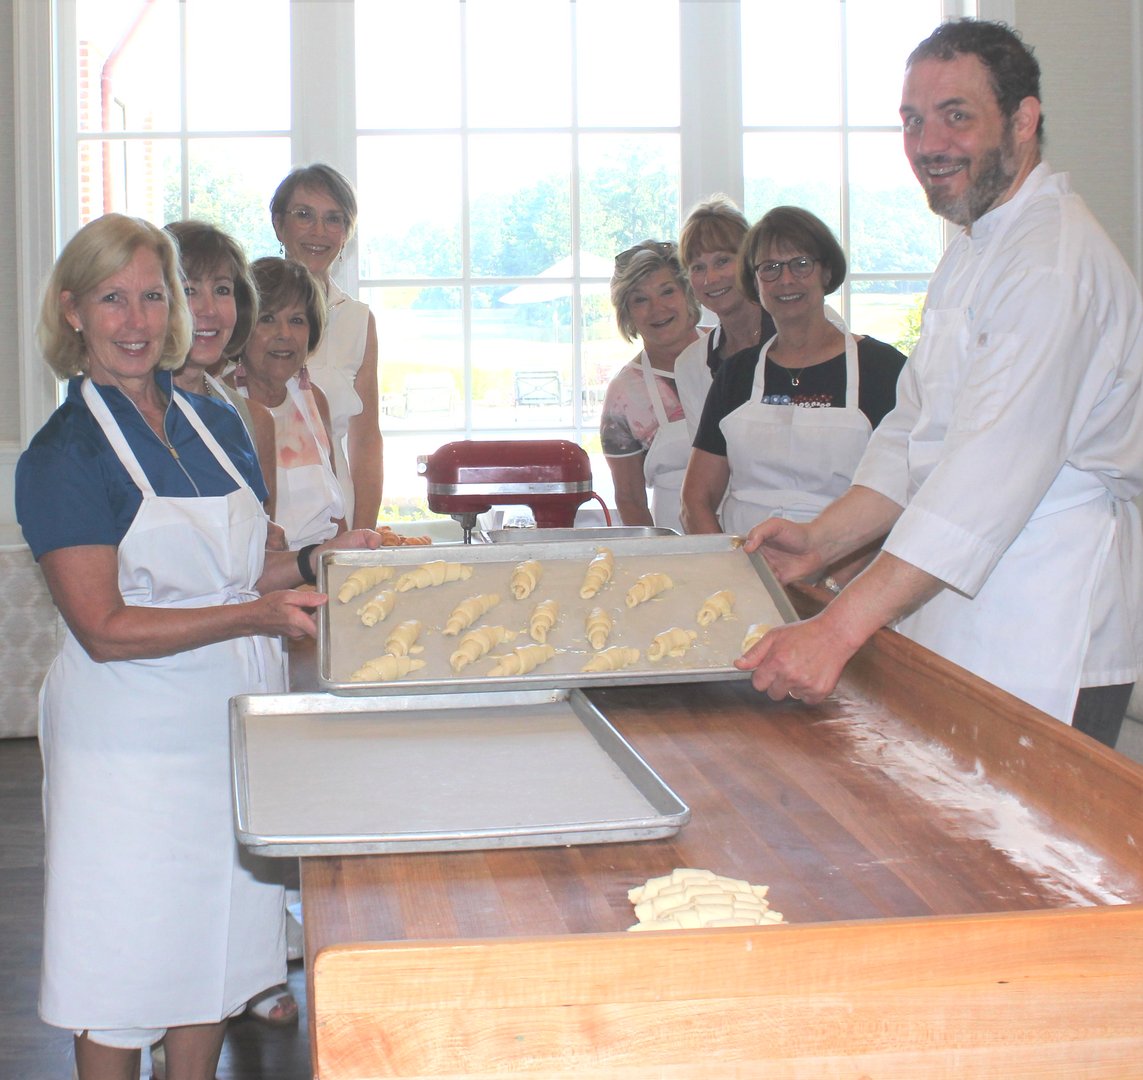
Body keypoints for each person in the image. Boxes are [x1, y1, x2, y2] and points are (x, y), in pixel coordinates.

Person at [14, 213, 381, 1080]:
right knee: (123, 958)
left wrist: (329, 557)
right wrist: (252, 617)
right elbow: (104, 628)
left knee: (214, 948)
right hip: (130, 745)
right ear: (72, 311)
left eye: (153, 297)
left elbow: (245, 567)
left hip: (233, 728)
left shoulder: (214, 422)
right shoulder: (62, 456)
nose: (136, 321)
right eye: (112, 299)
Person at [740, 19, 1143, 748]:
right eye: (911, 121)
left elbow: (983, 478)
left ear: (1023, 120)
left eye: (956, 116)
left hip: (1049, 623)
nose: (927, 144)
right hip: (962, 613)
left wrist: (835, 630)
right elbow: (913, 433)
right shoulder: (975, 248)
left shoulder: (1052, 265)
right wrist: (822, 541)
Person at [681, 206, 906, 547]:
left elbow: (901, 495)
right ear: (754, 282)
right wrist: (731, 567)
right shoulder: (737, 373)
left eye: (801, 264)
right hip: (746, 565)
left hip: (847, 567)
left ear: (826, 272)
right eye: (769, 268)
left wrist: (831, 573)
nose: (785, 280)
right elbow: (695, 501)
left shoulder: (882, 368)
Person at [270, 163, 382, 529]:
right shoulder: (244, 309)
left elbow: (366, 442)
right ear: (278, 224)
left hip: (337, 520)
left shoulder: (357, 320)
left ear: (346, 234)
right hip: (262, 515)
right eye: (304, 215)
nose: (319, 231)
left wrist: (362, 533)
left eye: (334, 219)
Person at [232, 257, 347, 550]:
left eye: (297, 320)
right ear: (242, 326)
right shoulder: (221, 404)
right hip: (260, 573)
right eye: (267, 318)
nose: (284, 334)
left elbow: (338, 519)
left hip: (321, 567)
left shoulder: (313, 400)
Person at [165, 219, 278, 518]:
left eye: (222, 290)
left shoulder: (249, 418)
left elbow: (262, 538)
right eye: (189, 291)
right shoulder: (134, 412)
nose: (210, 309)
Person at [599, 240, 701, 530]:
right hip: (675, 539)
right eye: (640, 300)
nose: (657, 309)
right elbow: (630, 499)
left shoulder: (731, 353)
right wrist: (657, 552)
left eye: (667, 291)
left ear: (688, 294)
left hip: (753, 530)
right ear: (627, 314)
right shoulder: (624, 394)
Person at [673, 194, 775, 438]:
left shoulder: (800, 330)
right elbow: (705, 452)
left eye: (722, 261)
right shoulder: (691, 365)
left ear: (750, 260)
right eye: (698, 267)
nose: (711, 278)